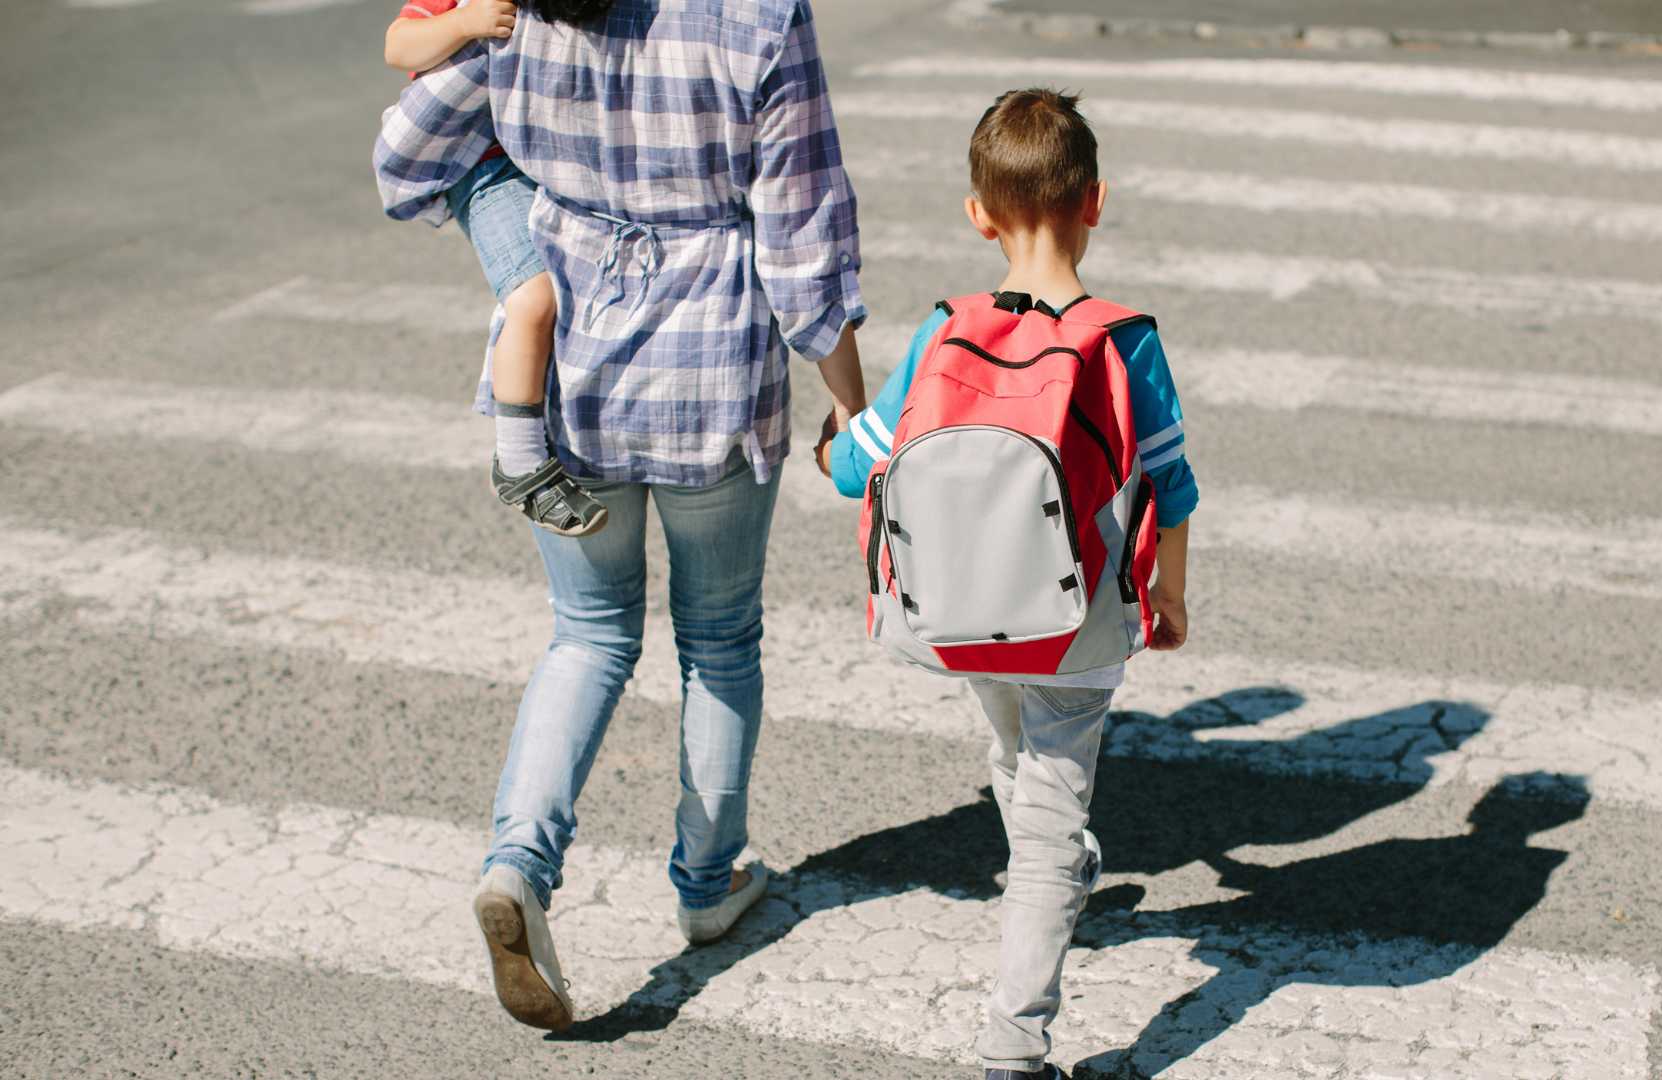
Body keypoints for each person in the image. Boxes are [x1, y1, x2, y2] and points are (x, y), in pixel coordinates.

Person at [373, 0, 868, 1033]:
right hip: (713, 370)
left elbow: (409, 150)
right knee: (720, 638)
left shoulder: (533, 4)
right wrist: (851, 408)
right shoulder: (759, 17)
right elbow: (801, 230)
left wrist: (525, 237)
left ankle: (518, 864)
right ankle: (706, 880)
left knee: (588, 637)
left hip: (570, 375)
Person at [822, 88, 1199, 1080]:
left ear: (978, 216)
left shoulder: (946, 330)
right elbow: (1174, 481)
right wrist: (1169, 595)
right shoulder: (1125, 340)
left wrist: (834, 448)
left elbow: (861, 463)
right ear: (1096, 203)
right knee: (1049, 817)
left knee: (1011, 755)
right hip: (1072, 619)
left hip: (956, 611)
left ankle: (1057, 868)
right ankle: (1013, 1043)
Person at [381, 0, 606, 536]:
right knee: (534, 295)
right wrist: (463, 22)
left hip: (559, 157)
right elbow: (398, 46)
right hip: (485, 168)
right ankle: (521, 461)